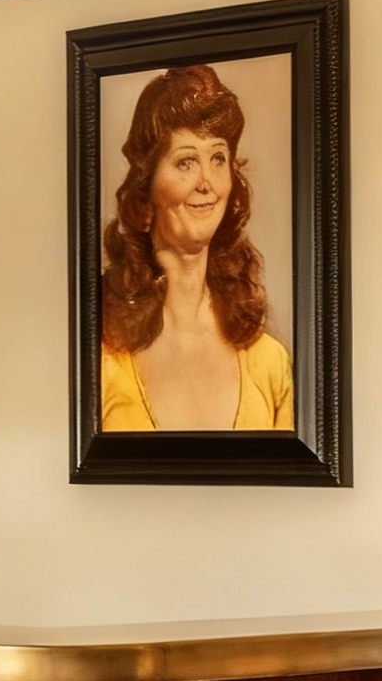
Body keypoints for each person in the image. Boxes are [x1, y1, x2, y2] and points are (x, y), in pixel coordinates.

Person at [100, 63, 293, 431]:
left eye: (217, 158)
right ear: (143, 199)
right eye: (186, 161)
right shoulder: (102, 356)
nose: (207, 182)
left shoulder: (269, 362)